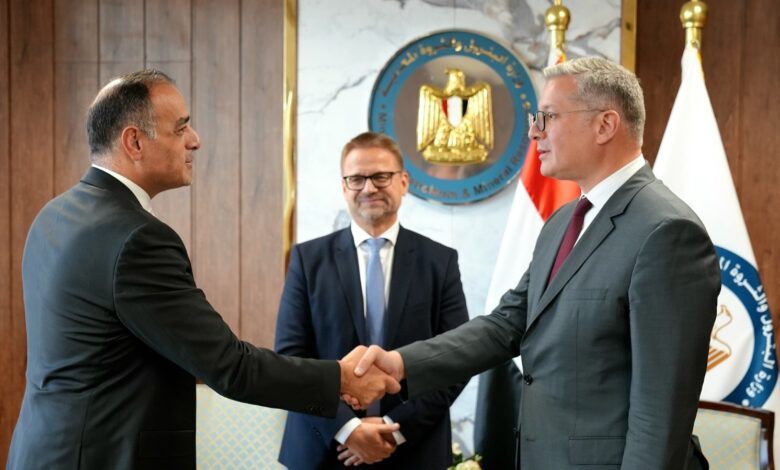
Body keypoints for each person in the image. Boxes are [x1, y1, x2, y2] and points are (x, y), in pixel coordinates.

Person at [6, 70, 398, 470]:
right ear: (134, 142)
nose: (195, 140)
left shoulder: (54, 215)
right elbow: (229, 366)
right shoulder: (138, 238)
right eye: (180, 128)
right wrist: (341, 377)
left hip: (42, 452)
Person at [349, 57, 720, 469]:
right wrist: (400, 364)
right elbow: (507, 324)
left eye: (548, 117)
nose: (533, 132)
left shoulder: (666, 232)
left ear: (605, 125)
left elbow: (661, 413)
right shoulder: (564, 222)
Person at [275, 132, 469, 469]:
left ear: (403, 182)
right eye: (356, 179)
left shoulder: (440, 262)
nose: (368, 188)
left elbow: (455, 360)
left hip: (413, 450)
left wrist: (395, 429)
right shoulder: (308, 260)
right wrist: (348, 429)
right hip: (324, 449)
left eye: (381, 176)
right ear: (344, 187)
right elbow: (291, 359)